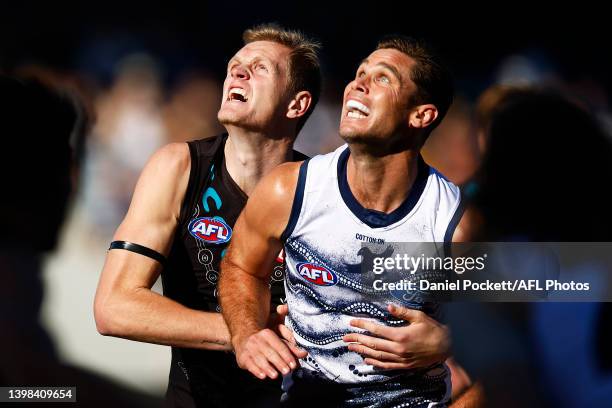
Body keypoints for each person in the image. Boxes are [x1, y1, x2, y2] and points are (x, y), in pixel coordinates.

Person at [219, 36, 470, 407]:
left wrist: (450, 341)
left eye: (383, 78)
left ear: (421, 115)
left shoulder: (455, 223)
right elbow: (241, 266)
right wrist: (245, 334)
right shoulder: (288, 190)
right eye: (360, 73)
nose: (358, 84)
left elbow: (522, 333)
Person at [94, 24, 321, 407]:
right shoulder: (178, 167)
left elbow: (419, 276)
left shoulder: (323, 189)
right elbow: (113, 307)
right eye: (236, 65)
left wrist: (442, 337)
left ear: (296, 105)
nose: (238, 71)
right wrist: (245, 332)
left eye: (261, 68)